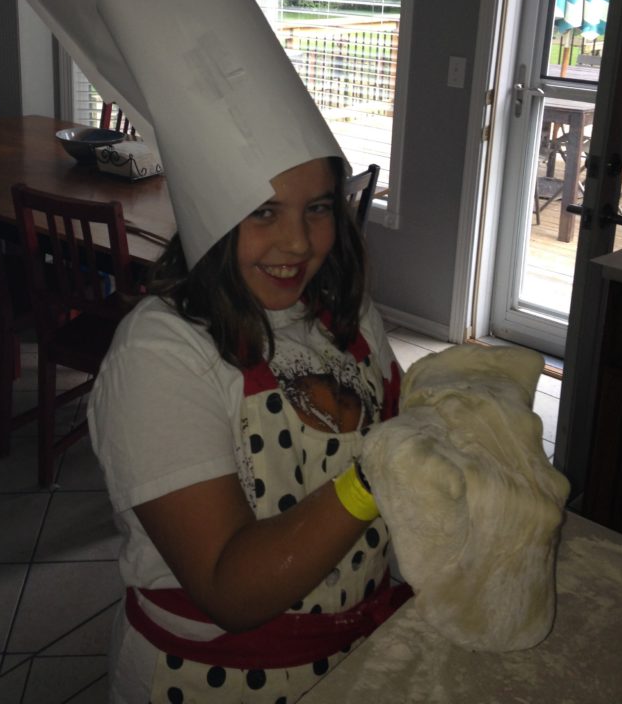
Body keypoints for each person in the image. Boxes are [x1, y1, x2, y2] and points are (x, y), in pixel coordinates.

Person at [88, 154, 409, 703]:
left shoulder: (347, 314)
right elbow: (228, 589)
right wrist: (375, 476)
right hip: (211, 677)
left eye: (318, 208)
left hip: (358, 654)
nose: (299, 243)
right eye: (263, 212)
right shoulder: (159, 354)